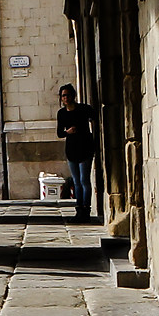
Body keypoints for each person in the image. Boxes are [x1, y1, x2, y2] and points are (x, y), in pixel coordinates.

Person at [57, 84, 99, 222]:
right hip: (71, 149)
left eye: (68, 95)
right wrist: (67, 132)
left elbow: (95, 117)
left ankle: (86, 210)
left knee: (84, 180)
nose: (66, 98)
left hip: (85, 147)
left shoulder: (83, 109)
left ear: (73, 95)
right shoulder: (62, 113)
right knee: (76, 181)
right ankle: (79, 210)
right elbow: (59, 133)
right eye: (63, 95)